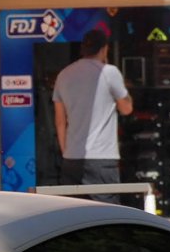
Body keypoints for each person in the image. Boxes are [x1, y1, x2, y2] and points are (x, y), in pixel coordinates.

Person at [53, 28, 133, 203]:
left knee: (74, 213)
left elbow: (60, 121)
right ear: (104, 49)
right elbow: (126, 108)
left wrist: (67, 151)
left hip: (72, 158)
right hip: (102, 158)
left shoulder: (63, 75)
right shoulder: (109, 72)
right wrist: (126, 91)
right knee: (107, 214)